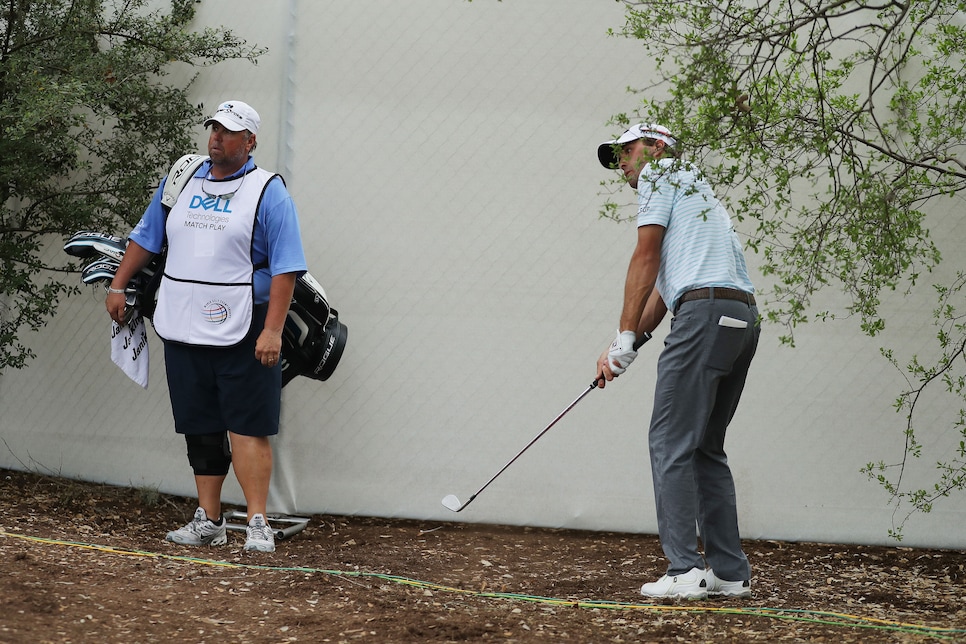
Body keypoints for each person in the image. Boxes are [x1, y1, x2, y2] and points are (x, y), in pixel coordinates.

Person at [106, 100, 307, 553]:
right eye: (214, 128)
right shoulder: (181, 178)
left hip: (244, 325)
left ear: (250, 141)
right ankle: (209, 520)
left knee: (247, 423)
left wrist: (273, 330)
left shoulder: (267, 190)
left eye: (230, 131)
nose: (217, 137)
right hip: (182, 321)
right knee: (199, 423)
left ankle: (257, 521)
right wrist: (119, 285)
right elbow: (147, 236)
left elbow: (286, 268)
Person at [594, 123, 759, 600]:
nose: (623, 161)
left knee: (669, 441)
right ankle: (729, 573)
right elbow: (663, 296)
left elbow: (644, 258)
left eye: (628, 150)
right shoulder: (696, 193)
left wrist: (625, 337)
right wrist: (622, 345)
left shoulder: (661, 174)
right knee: (705, 446)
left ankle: (685, 571)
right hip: (741, 318)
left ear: (657, 147)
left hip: (704, 315)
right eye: (618, 155)